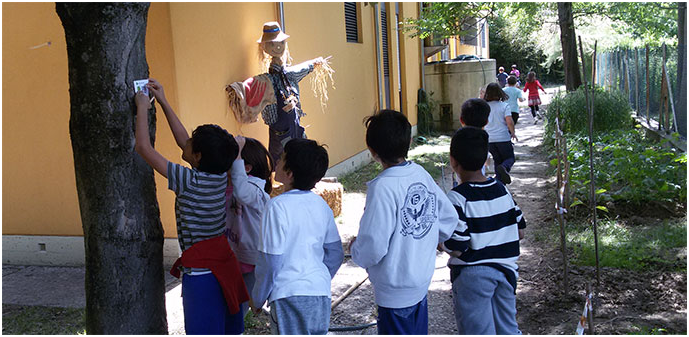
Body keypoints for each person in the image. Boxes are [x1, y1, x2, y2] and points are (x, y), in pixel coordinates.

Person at [134, 79, 248, 334]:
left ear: (197, 157)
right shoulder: (219, 174)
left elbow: (143, 147)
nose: (185, 143)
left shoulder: (188, 180)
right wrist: (162, 101)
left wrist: (142, 107)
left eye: (191, 145)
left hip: (201, 275)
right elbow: (184, 141)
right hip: (224, 265)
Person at [349, 110, 459, 335]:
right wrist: (430, 239)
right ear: (409, 141)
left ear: (372, 151)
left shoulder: (382, 188)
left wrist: (355, 250)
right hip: (420, 281)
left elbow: (374, 244)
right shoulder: (420, 173)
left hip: (394, 290)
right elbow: (449, 217)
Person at [251, 138, 344, 335]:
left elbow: (270, 262)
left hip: (288, 295)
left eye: (282, 158)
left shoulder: (276, 207)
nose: (276, 160)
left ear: (290, 173)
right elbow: (335, 254)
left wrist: (258, 298)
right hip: (319, 293)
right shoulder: (321, 206)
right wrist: (315, 278)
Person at [441, 126, 526, 334]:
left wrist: (440, 241)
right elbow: (520, 230)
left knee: (477, 330)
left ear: (453, 161)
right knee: (507, 327)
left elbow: (458, 247)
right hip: (506, 272)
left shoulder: (457, 198)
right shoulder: (502, 190)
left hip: (473, 276)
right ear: (487, 160)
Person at [225, 135, 273, 317]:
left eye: (232, 158)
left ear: (245, 168)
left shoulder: (255, 189)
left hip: (250, 259)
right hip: (233, 254)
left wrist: (237, 155)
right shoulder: (227, 185)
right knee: (231, 302)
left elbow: (242, 193)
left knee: (241, 306)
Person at [484, 83, 517, 185]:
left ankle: (500, 185)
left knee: (497, 161)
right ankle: (504, 167)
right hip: (503, 138)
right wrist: (513, 133)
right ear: (500, 93)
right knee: (510, 158)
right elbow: (509, 122)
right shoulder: (504, 106)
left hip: (490, 139)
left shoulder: (484, 107)